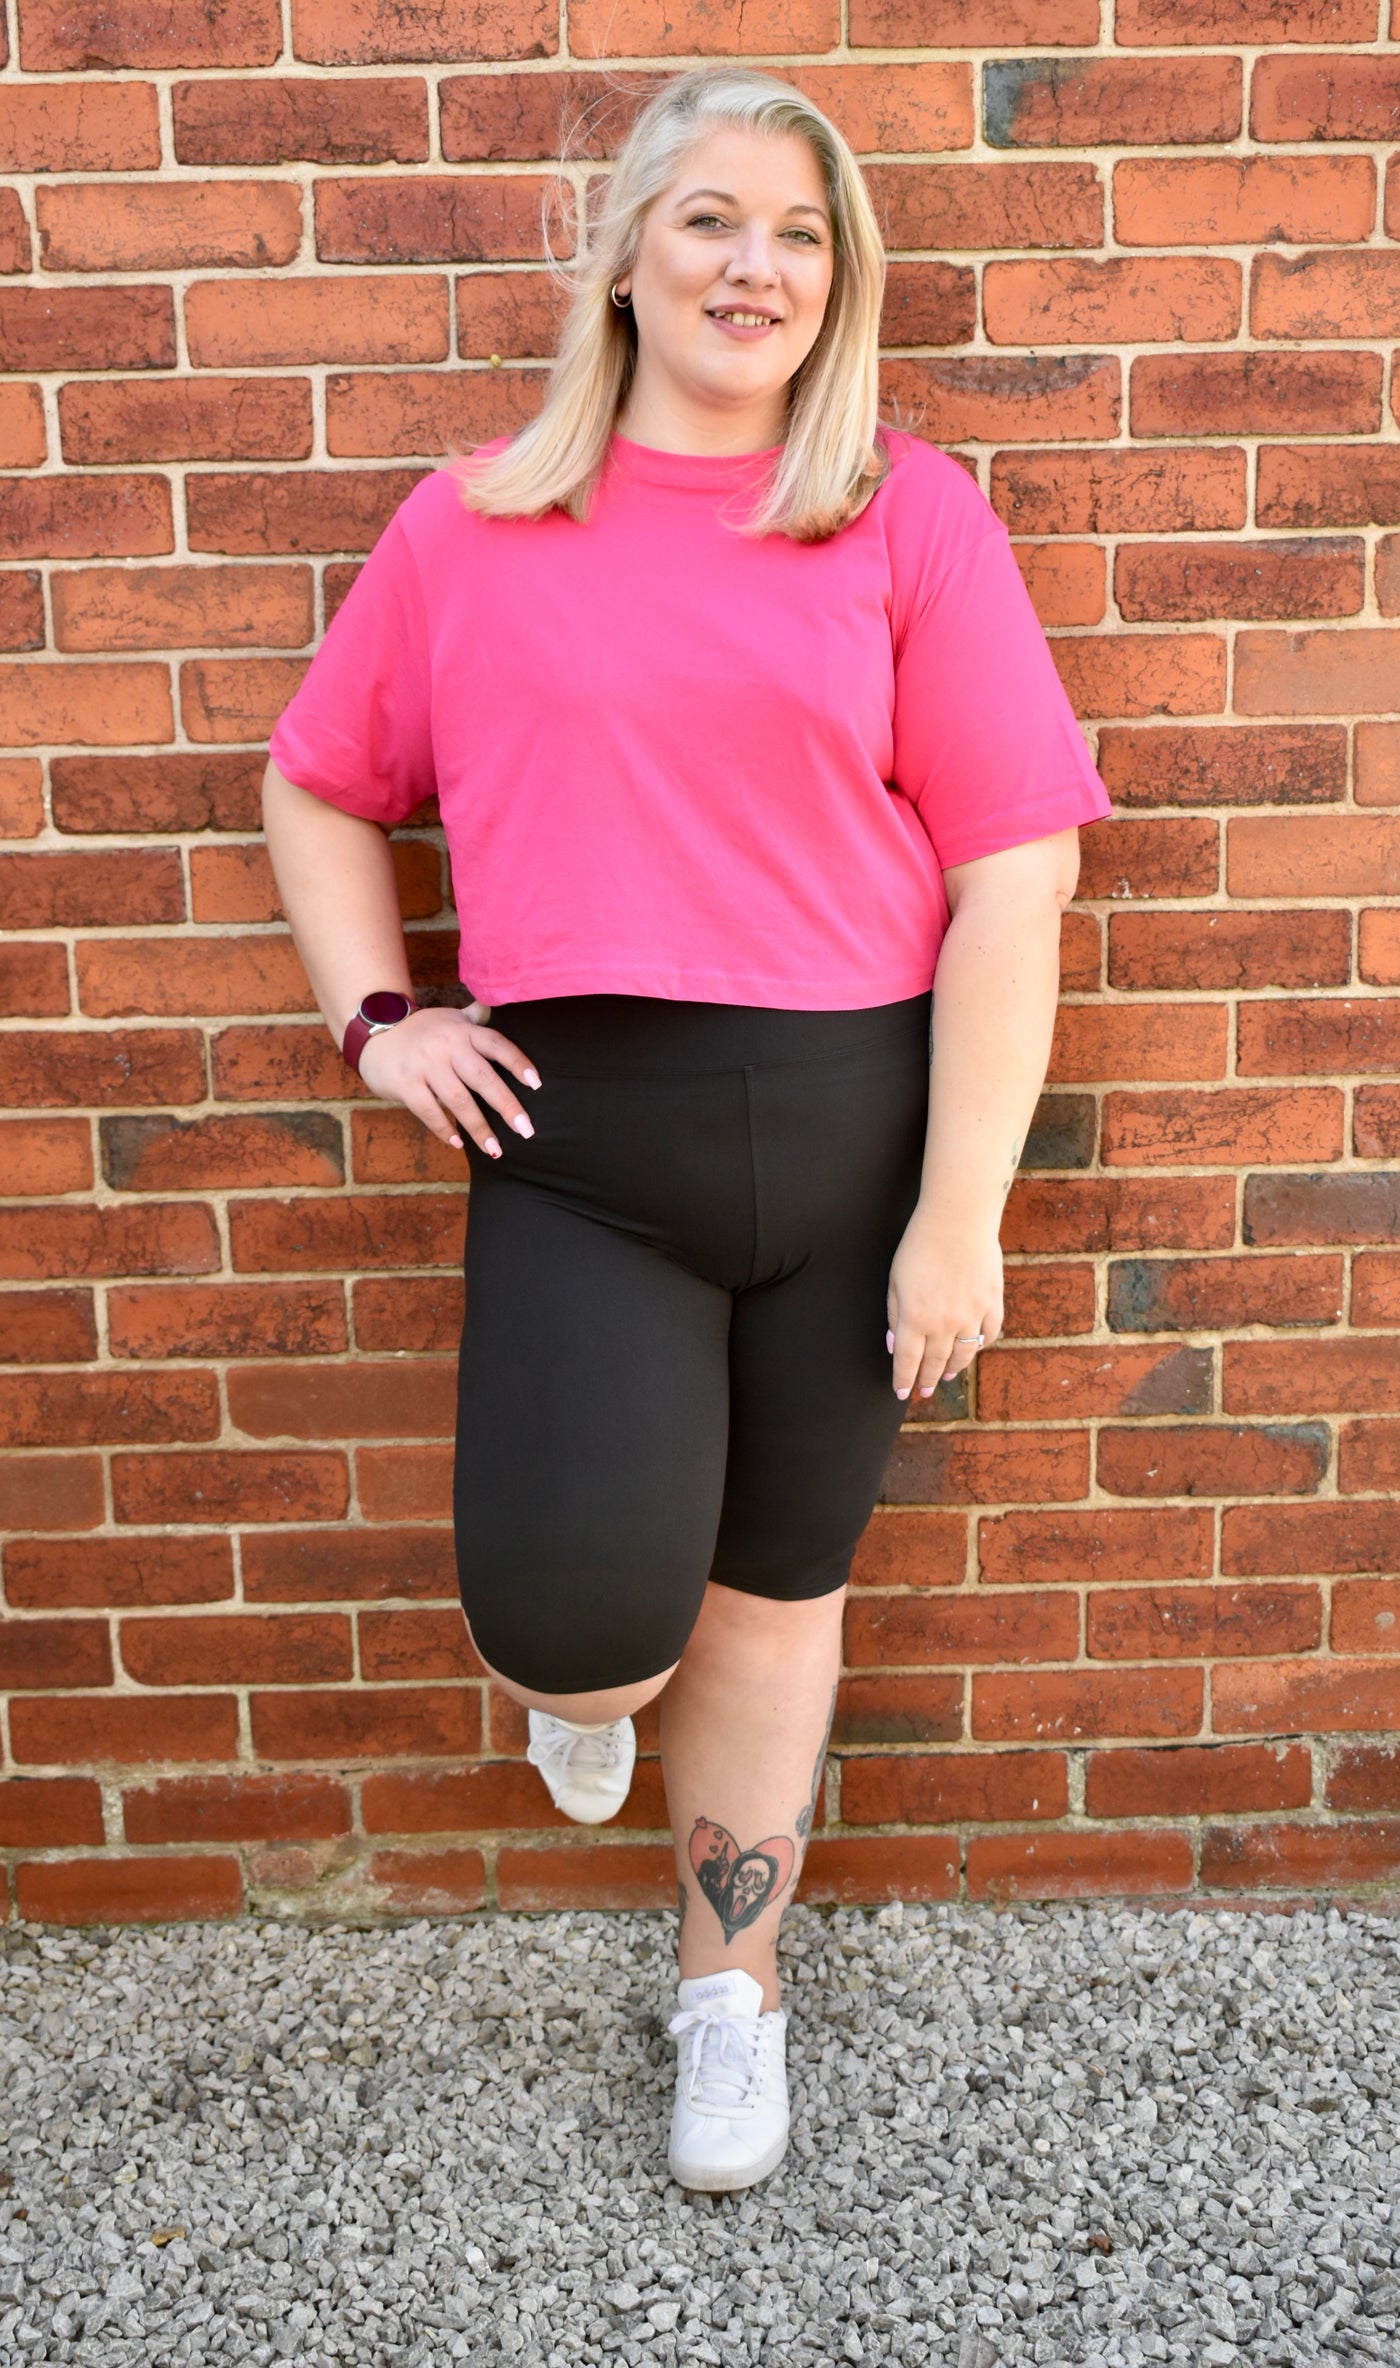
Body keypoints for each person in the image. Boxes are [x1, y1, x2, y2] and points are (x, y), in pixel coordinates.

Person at [262, 64, 1112, 2195]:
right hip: (585, 1141)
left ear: (843, 283)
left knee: (777, 1595)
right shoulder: (475, 527)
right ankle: (582, 1690)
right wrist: (380, 1021)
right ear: (628, 255)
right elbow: (320, 781)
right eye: (715, 219)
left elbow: (1014, 872)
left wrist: (960, 1218)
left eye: (802, 235)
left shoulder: (903, 515)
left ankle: (729, 1995)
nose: (758, 266)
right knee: (581, 1628)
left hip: (851, 1132)